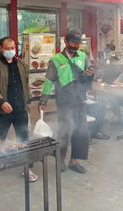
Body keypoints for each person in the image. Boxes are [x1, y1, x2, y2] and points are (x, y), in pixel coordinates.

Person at [39, 30, 94, 174]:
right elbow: (49, 81)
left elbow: (91, 73)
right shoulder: (56, 60)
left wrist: (91, 74)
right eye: (73, 43)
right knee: (65, 130)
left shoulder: (83, 56)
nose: (76, 46)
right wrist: (43, 99)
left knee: (81, 131)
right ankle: (60, 159)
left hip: (80, 99)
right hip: (64, 101)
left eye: (78, 43)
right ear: (66, 42)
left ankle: (74, 161)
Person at [0, 37, 37, 182]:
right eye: (7, 48)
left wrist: (28, 101)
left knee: (24, 138)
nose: (10, 51)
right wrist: (1, 101)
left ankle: (28, 168)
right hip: (2, 110)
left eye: (13, 48)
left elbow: (26, 84)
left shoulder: (22, 63)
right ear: (1, 49)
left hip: (20, 109)